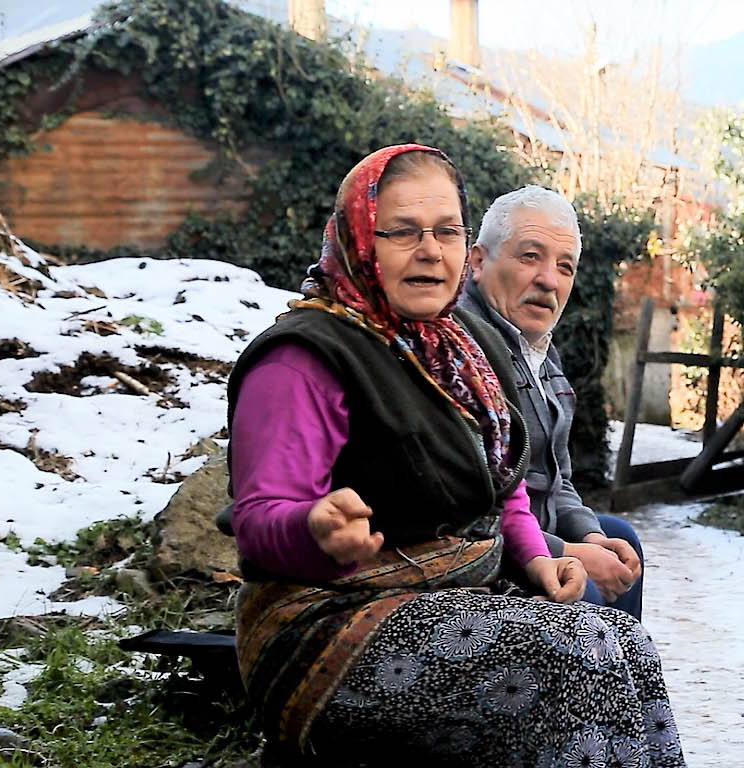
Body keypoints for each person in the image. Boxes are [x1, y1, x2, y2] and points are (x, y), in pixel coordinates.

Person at [226, 144, 685, 766]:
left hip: (448, 595)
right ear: (359, 238)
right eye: (402, 231)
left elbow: (505, 485)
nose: (429, 251)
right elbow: (258, 520)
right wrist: (313, 529)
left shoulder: (457, 352)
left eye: (446, 231)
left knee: (626, 642)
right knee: (577, 649)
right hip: (325, 629)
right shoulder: (304, 358)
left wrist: (536, 559)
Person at [459, 185, 645, 620]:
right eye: (530, 257)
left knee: (620, 539)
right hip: (488, 553)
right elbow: (473, 514)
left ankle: (622, 662)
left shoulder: (542, 354)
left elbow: (557, 479)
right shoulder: (460, 353)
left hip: (539, 535)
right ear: (478, 262)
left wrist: (590, 537)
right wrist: (566, 552)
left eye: (565, 267)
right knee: (585, 593)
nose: (549, 280)